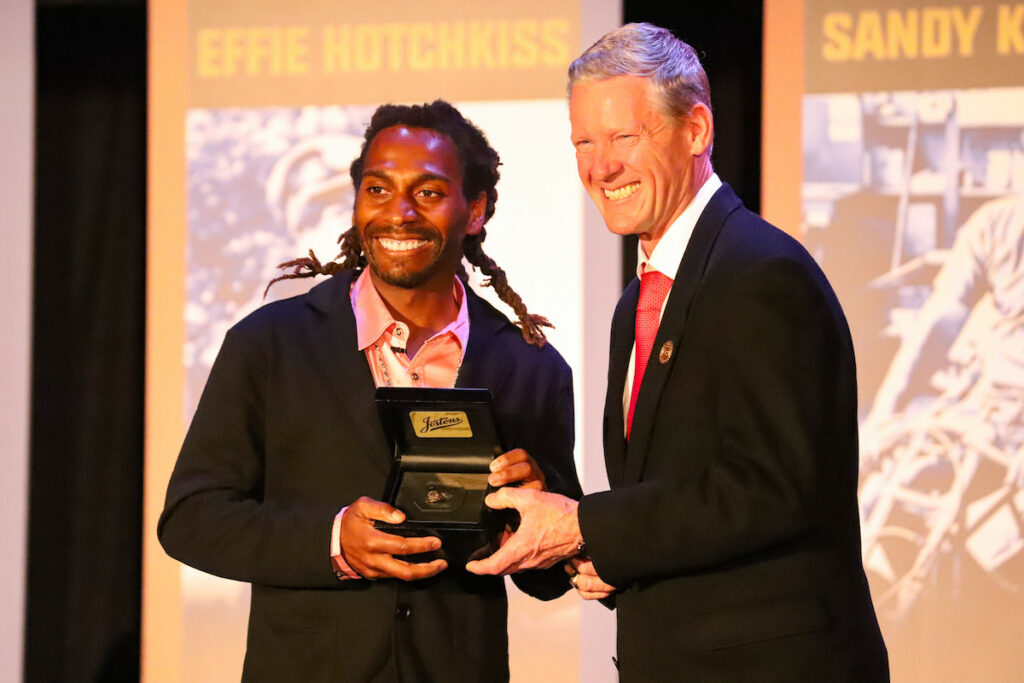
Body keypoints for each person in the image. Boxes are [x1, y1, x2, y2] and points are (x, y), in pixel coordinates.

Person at [466, 23, 889, 680]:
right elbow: (673, 497)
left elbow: (772, 489)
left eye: (623, 138)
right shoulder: (636, 300)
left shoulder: (762, 274)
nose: (599, 166)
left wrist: (588, 526)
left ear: (696, 131)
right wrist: (562, 524)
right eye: (584, 141)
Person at [158, 100, 581, 682]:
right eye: (378, 191)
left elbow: (548, 577)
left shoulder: (532, 368)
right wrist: (333, 541)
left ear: (475, 209)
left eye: (428, 193)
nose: (399, 214)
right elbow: (191, 519)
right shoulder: (270, 345)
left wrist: (531, 515)